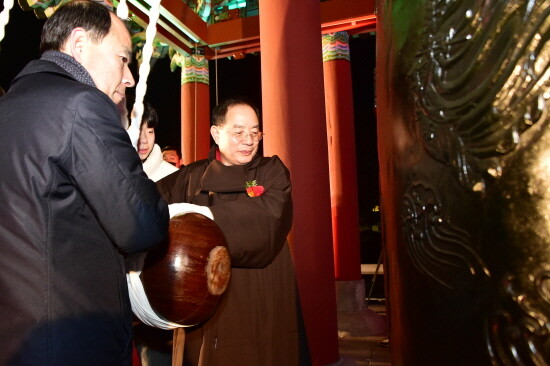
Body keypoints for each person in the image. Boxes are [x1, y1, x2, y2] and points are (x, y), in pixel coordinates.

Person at [0, 1, 169, 365]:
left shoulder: (9, 108)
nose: (130, 78)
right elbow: (141, 225)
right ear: (79, 46)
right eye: (123, 59)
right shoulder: (80, 105)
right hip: (72, 339)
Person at [156, 97, 306, 365]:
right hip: (206, 288)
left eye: (254, 132)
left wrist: (201, 217)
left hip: (262, 286)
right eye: (238, 133)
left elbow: (269, 220)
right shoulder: (192, 176)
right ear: (216, 133)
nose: (248, 140)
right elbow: (151, 205)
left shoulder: (271, 170)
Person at [137, 104, 179, 181]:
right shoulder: (109, 172)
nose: (144, 140)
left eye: (150, 132)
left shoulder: (172, 176)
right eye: (138, 132)